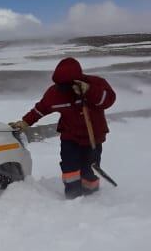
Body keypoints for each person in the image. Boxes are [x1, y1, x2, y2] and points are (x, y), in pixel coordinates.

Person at [10, 57, 116, 199]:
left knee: (89, 169)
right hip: (70, 137)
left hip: (94, 138)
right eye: (60, 85)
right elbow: (40, 109)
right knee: (70, 168)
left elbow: (108, 100)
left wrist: (89, 91)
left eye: (66, 85)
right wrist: (25, 122)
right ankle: (73, 195)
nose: (63, 88)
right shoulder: (55, 93)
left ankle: (91, 196)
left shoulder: (95, 84)